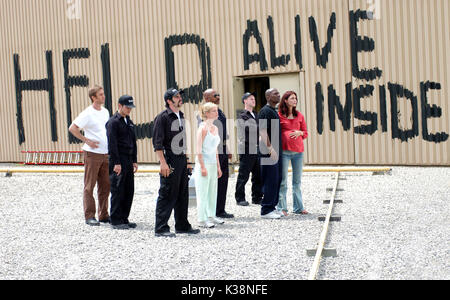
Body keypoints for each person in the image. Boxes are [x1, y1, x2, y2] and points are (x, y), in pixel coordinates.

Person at [153, 88, 200, 237]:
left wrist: (186, 161)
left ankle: (182, 225)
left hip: (180, 158)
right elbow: (157, 143)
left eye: (180, 96)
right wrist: (163, 163)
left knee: (182, 193)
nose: (180, 98)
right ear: (169, 100)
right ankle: (161, 227)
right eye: (177, 96)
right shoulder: (162, 117)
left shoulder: (180, 116)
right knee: (167, 193)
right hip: (169, 158)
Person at [69, 85, 110, 226]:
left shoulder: (105, 112)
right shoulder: (87, 113)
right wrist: (87, 140)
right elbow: (72, 128)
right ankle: (89, 216)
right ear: (94, 97)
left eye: (103, 94)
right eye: (101, 94)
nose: (103, 96)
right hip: (92, 154)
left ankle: (104, 215)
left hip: (105, 153)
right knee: (89, 186)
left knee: (105, 186)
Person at [106, 95, 139, 230]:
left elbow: (133, 141)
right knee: (118, 189)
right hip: (118, 159)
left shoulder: (128, 121)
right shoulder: (113, 122)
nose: (129, 110)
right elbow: (112, 144)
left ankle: (124, 218)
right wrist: (117, 163)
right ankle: (115, 219)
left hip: (128, 159)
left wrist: (134, 160)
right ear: (119, 106)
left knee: (128, 189)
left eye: (131, 107)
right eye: (127, 107)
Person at [202, 89, 234, 219]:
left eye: (219, 95)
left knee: (223, 180)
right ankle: (211, 210)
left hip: (222, 149)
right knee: (212, 181)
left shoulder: (219, 111)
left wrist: (227, 148)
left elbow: (223, 132)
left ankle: (220, 209)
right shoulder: (204, 114)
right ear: (207, 97)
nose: (218, 97)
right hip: (212, 151)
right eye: (215, 95)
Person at [278, 91, 309, 216]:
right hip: (284, 152)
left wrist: (299, 132)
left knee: (297, 182)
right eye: (292, 98)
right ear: (285, 100)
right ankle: (282, 208)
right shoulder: (279, 115)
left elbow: (305, 133)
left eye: (295, 98)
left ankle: (298, 207)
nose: (295, 100)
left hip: (298, 152)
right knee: (283, 181)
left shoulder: (300, 115)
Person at [194, 102, 225, 228]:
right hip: (204, 163)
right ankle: (202, 219)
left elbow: (215, 149)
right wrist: (202, 166)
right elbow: (198, 149)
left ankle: (211, 215)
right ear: (206, 113)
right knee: (203, 191)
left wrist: (218, 166)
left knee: (213, 190)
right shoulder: (202, 128)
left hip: (213, 163)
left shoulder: (215, 128)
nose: (216, 113)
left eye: (216, 110)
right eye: (213, 111)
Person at [235, 92, 263, 207]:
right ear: (245, 101)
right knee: (243, 175)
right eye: (251, 99)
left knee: (258, 175)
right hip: (247, 149)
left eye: (254, 99)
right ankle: (240, 198)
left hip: (257, 148)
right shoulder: (242, 115)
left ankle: (257, 197)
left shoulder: (255, 115)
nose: (253, 100)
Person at [258, 88, 283, 219]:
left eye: (279, 93)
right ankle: (266, 209)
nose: (278, 95)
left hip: (277, 151)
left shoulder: (274, 111)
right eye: (275, 94)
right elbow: (262, 131)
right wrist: (270, 148)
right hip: (268, 152)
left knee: (277, 179)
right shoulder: (264, 111)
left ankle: (272, 206)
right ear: (268, 97)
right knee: (270, 180)